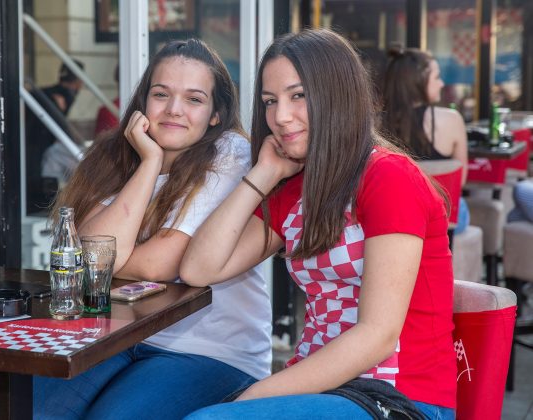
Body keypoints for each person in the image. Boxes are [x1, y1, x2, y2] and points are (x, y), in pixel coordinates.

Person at [180, 29, 456, 419]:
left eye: (298, 96)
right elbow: (199, 269)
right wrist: (263, 174)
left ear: (337, 94)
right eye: (270, 101)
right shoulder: (295, 187)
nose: (280, 117)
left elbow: (377, 336)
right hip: (325, 388)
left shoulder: (389, 177)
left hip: (399, 396)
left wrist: (254, 395)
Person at [33, 39, 272, 420]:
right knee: (36, 409)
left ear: (216, 113)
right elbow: (89, 258)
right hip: (119, 336)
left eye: (194, 99)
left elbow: (157, 265)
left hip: (211, 350)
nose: (174, 109)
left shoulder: (231, 152)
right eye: (161, 94)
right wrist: (149, 163)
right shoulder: (117, 155)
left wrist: (116, 260)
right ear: (144, 102)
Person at [382, 46, 469, 234]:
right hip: (443, 220)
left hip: (391, 219)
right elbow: (459, 182)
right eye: (436, 77)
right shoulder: (451, 119)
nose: (442, 84)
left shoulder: (374, 124)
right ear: (418, 82)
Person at [25, 59, 85, 213]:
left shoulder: (52, 94)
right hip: (40, 147)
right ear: (78, 80)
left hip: (34, 146)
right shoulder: (63, 96)